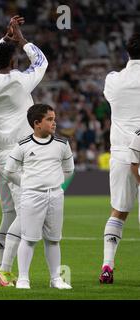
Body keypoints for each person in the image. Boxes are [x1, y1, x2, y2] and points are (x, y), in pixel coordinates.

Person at [0, 16, 48, 286]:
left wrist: (4, 40)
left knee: (8, 213)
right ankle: (4, 269)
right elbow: (41, 62)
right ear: (14, 62)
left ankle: (0, 266)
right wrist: (22, 39)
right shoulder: (20, 81)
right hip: (21, 155)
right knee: (25, 213)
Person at [4, 104, 74, 289]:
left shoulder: (62, 144)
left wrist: (56, 184)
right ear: (37, 123)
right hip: (31, 197)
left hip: (56, 196)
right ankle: (23, 279)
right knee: (29, 239)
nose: (54, 123)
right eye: (49, 119)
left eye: (54, 119)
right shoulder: (23, 146)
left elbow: (69, 170)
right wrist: (28, 184)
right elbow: (9, 171)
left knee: (53, 239)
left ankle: (56, 279)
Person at [99, 33, 140, 284]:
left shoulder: (113, 80)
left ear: (127, 53)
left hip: (122, 152)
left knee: (118, 211)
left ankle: (107, 265)